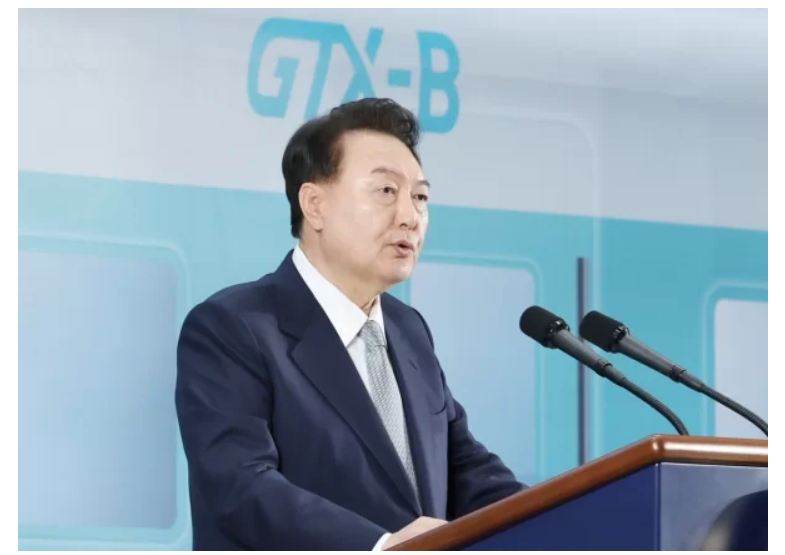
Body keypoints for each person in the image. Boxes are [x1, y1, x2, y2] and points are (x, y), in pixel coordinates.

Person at [175, 98, 525, 550]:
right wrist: (380, 546)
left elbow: (464, 469)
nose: (409, 217)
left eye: (420, 197)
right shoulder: (233, 328)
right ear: (314, 205)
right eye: (386, 191)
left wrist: (563, 515)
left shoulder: (409, 330)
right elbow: (241, 488)